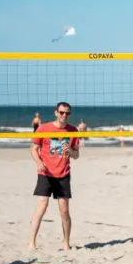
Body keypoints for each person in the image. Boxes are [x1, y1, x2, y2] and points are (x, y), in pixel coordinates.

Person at [29, 102, 80, 251]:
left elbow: (76, 155)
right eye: (62, 112)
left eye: (67, 113)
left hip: (63, 174)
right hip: (46, 173)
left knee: (64, 211)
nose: (64, 115)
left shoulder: (73, 131)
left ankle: (66, 243)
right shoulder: (43, 128)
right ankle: (32, 243)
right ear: (56, 113)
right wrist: (39, 163)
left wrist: (70, 150)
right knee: (42, 206)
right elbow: (33, 149)